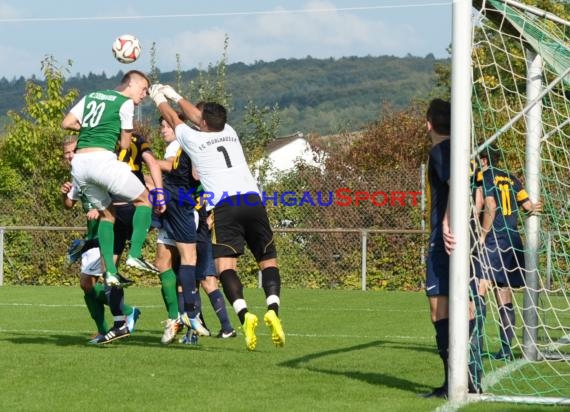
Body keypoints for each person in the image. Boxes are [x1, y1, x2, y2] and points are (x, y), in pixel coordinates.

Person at [149, 85, 285, 351]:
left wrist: (159, 98)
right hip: (252, 200)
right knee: (267, 260)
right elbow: (197, 116)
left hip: (225, 206)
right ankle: (273, 309)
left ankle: (245, 316)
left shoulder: (195, 140)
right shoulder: (230, 133)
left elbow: (176, 119)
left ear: (203, 122)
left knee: (225, 269)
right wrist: (176, 95)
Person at [61, 70, 164, 293]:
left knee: (108, 214)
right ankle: (135, 255)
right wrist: (115, 136)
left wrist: (89, 129)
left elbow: (67, 122)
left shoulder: (91, 97)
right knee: (145, 200)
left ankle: (110, 272)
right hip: (102, 160)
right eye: (143, 89)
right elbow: (126, 146)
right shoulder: (125, 103)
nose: (144, 95)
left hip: (80, 165)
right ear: (131, 84)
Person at [153, 114, 234, 345]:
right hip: (178, 214)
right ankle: (184, 323)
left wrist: (147, 160)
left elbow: (191, 176)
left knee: (201, 278)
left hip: (192, 219)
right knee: (172, 269)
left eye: (167, 125)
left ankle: (204, 325)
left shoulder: (183, 146)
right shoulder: (181, 150)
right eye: (162, 126)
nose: (163, 129)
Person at [60, 136, 140, 344]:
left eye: (72, 151)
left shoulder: (97, 168)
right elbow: (69, 204)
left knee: (96, 281)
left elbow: (119, 190)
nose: (69, 156)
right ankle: (108, 326)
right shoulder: (78, 174)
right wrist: (64, 194)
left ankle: (124, 316)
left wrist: (100, 207)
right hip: (91, 236)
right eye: (66, 153)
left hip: (105, 235)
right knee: (88, 284)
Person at [476, 145, 541, 360]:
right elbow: (527, 205)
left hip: (495, 237)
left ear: (484, 160)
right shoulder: (512, 178)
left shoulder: (484, 176)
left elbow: (490, 206)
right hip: (513, 238)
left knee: (480, 287)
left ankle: (473, 344)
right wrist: (535, 205)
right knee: (503, 292)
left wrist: (483, 235)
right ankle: (505, 348)